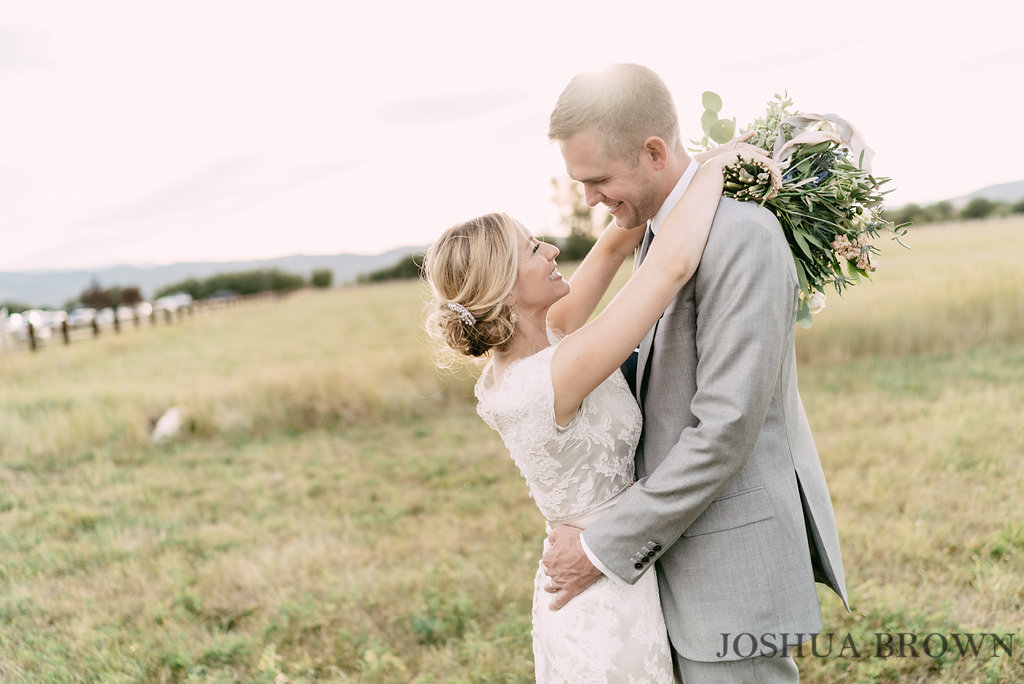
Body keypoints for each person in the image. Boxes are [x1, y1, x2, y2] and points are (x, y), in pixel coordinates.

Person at [541, 63, 849, 683]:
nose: (590, 200)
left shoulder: (742, 237)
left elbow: (726, 429)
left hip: (730, 577)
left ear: (654, 151)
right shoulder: (657, 239)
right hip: (670, 578)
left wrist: (602, 546)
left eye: (598, 179)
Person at [423, 141, 772, 680]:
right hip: (603, 592)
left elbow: (613, 248)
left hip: (609, 564)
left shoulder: (544, 337)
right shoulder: (554, 374)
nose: (551, 251)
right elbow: (668, 268)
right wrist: (715, 169)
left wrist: (675, 164)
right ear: (504, 286)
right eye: (532, 248)